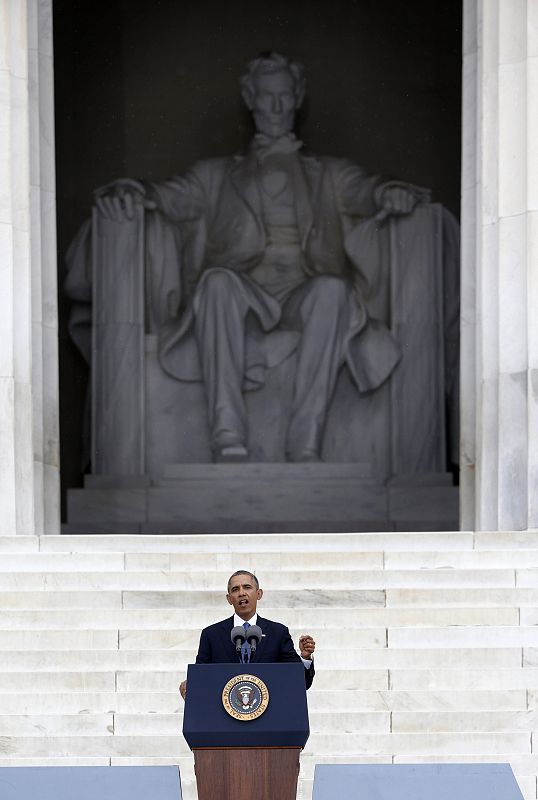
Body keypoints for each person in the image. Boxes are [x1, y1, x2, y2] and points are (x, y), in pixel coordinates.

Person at [94, 51, 427, 464]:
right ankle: (226, 432)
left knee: (333, 291)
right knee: (215, 283)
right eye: (266, 96)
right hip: (242, 293)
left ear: (298, 97)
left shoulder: (330, 173)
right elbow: (167, 196)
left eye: (284, 96)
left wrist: (387, 191)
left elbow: (368, 189)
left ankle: (306, 441)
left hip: (304, 291)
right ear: (250, 98)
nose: (275, 106)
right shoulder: (214, 175)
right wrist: (132, 190)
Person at [179, 570, 315, 699]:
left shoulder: (278, 633)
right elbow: (202, 677)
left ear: (259, 594)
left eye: (247, 587)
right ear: (229, 599)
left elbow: (300, 683)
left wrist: (305, 657)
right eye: (235, 589)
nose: (241, 593)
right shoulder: (211, 635)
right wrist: (192, 685)